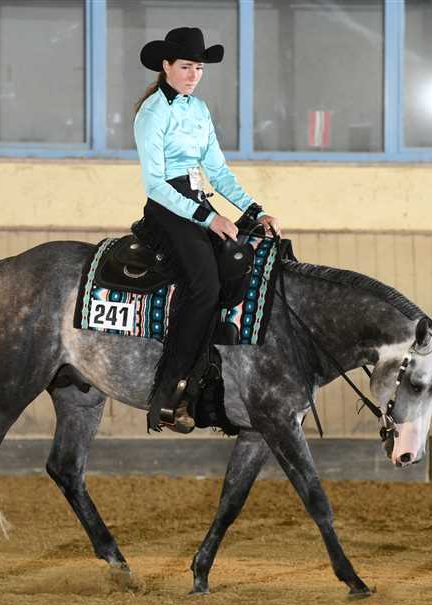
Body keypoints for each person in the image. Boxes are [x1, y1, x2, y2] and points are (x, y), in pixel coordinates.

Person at [134, 27, 279, 433]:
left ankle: (212, 379)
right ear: (166, 66)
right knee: (204, 286)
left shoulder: (198, 109)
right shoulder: (152, 113)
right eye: (186, 67)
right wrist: (209, 219)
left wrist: (255, 211)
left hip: (198, 203)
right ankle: (169, 391)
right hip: (168, 210)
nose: (193, 75)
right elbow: (155, 185)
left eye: (198, 68)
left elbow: (217, 170)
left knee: (240, 266)